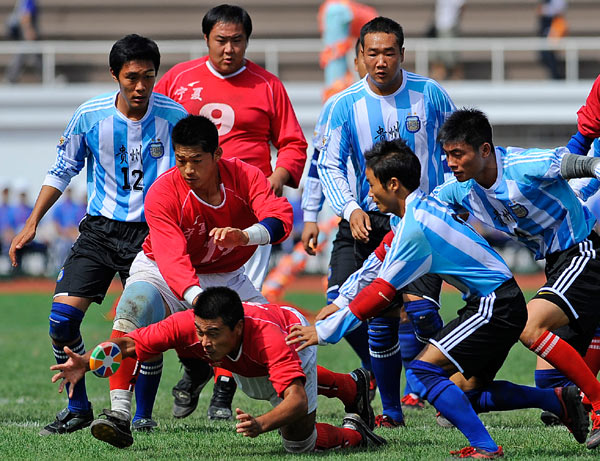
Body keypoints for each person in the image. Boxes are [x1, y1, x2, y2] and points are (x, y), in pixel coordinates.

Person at [287, 138, 589, 458]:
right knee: (467, 392)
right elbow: (376, 263)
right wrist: (339, 301)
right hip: (496, 301)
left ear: (393, 184)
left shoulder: (415, 226)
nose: (368, 192)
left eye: (371, 183)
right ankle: (558, 401)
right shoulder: (411, 214)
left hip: (494, 304)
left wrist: (324, 332)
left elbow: (381, 291)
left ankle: (487, 447)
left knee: (423, 371)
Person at [8, 34, 188, 436]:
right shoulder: (89, 116)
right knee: (61, 319)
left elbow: (194, 173)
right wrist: (33, 221)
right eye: (131, 77)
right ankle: (78, 408)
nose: (140, 86)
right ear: (114, 75)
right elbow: (62, 169)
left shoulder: (176, 118)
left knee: (143, 325)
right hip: (100, 230)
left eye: (148, 77)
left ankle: (141, 414)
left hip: (153, 233)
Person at [154, 4, 308, 419]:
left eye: (237, 40)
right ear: (206, 39)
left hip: (247, 215)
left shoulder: (268, 85)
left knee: (237, 305)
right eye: (221, 40)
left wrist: (279, 175)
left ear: (247, 41)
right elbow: (156, 129)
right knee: (179, 289)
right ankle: (195, 369)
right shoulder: (178, 80)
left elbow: (293, 142)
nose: (229, 48)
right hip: (190, 208)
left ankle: (222, 394)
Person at [98, 114, 293, 436]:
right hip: (161, 270)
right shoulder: (162, 192)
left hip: (227, 276)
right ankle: (119, 414)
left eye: (197, 160)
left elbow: (280, 219)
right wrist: (198, 301)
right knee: (132, 310)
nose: (188, 169)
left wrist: (245, 236)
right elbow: (172, 258)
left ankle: (341, 388)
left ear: (217, 155)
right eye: (181, 160)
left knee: (270, 341)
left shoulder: (246, 176)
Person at [432, 108, 600, 450]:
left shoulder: (520, 167)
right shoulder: (459, 189)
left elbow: (565, 162)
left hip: (583, 253)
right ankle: (559, 400)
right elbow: (424, 214)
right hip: (555, 267)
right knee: (472, 391)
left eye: (458, 154)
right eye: (447, 155)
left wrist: (594, 166)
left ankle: (599, 406)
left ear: (484, 150)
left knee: (528, 327)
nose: (451, 162)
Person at [316, 16, 456, 427]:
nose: (381, 61)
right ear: (360, 55)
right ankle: (391, 408)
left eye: (389, 52)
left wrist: (452, 205)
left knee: (422, 312)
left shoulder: (430, 95)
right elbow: (328, 164)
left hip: (420, 224)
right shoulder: (343, 105)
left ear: (402, 54)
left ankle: (446, 390)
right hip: (364, 221)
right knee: (356, 309)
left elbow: (454, 151)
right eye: (372, 52)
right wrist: (349, 208)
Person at [50, 286, 385, 452]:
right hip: (249, 356)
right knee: (256, 384)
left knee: (299, 444)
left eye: (212, 334)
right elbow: (129, 345)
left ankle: (359, 434)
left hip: (292, 333)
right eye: (200, 332)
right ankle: (351, 387)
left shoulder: (272, 339)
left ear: (237, 329)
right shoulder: (188, 326)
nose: (204, 342)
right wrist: (88, 361)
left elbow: (295, 399)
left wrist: (261, 424)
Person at [317, 0, 377, 101]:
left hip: (340, 57)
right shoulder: (336, 8)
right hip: (337, 58)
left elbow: (371, 19)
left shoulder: (337, 8)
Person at [4, 0, 41, 83]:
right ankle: (11, 77)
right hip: (26, 32)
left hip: (25, 32)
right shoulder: (28, 0)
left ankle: (11, 77)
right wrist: (28, 30)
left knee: (33, 55)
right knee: (32, 54)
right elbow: (25, 15)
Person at [429, 0, 465, 81]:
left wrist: (455, 22)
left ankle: (457, 76)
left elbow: (462, 6)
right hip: (440, 26)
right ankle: (441, 75)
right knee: (439, 53)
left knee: (450, 55)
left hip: (449, 25)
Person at [537, 0, 567, 80]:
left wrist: (545, 10)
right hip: (546, 27)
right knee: (545, 53)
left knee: (549, 52)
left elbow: (558, 9)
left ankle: (556, 76)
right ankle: (555, 75)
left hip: (553, 26)